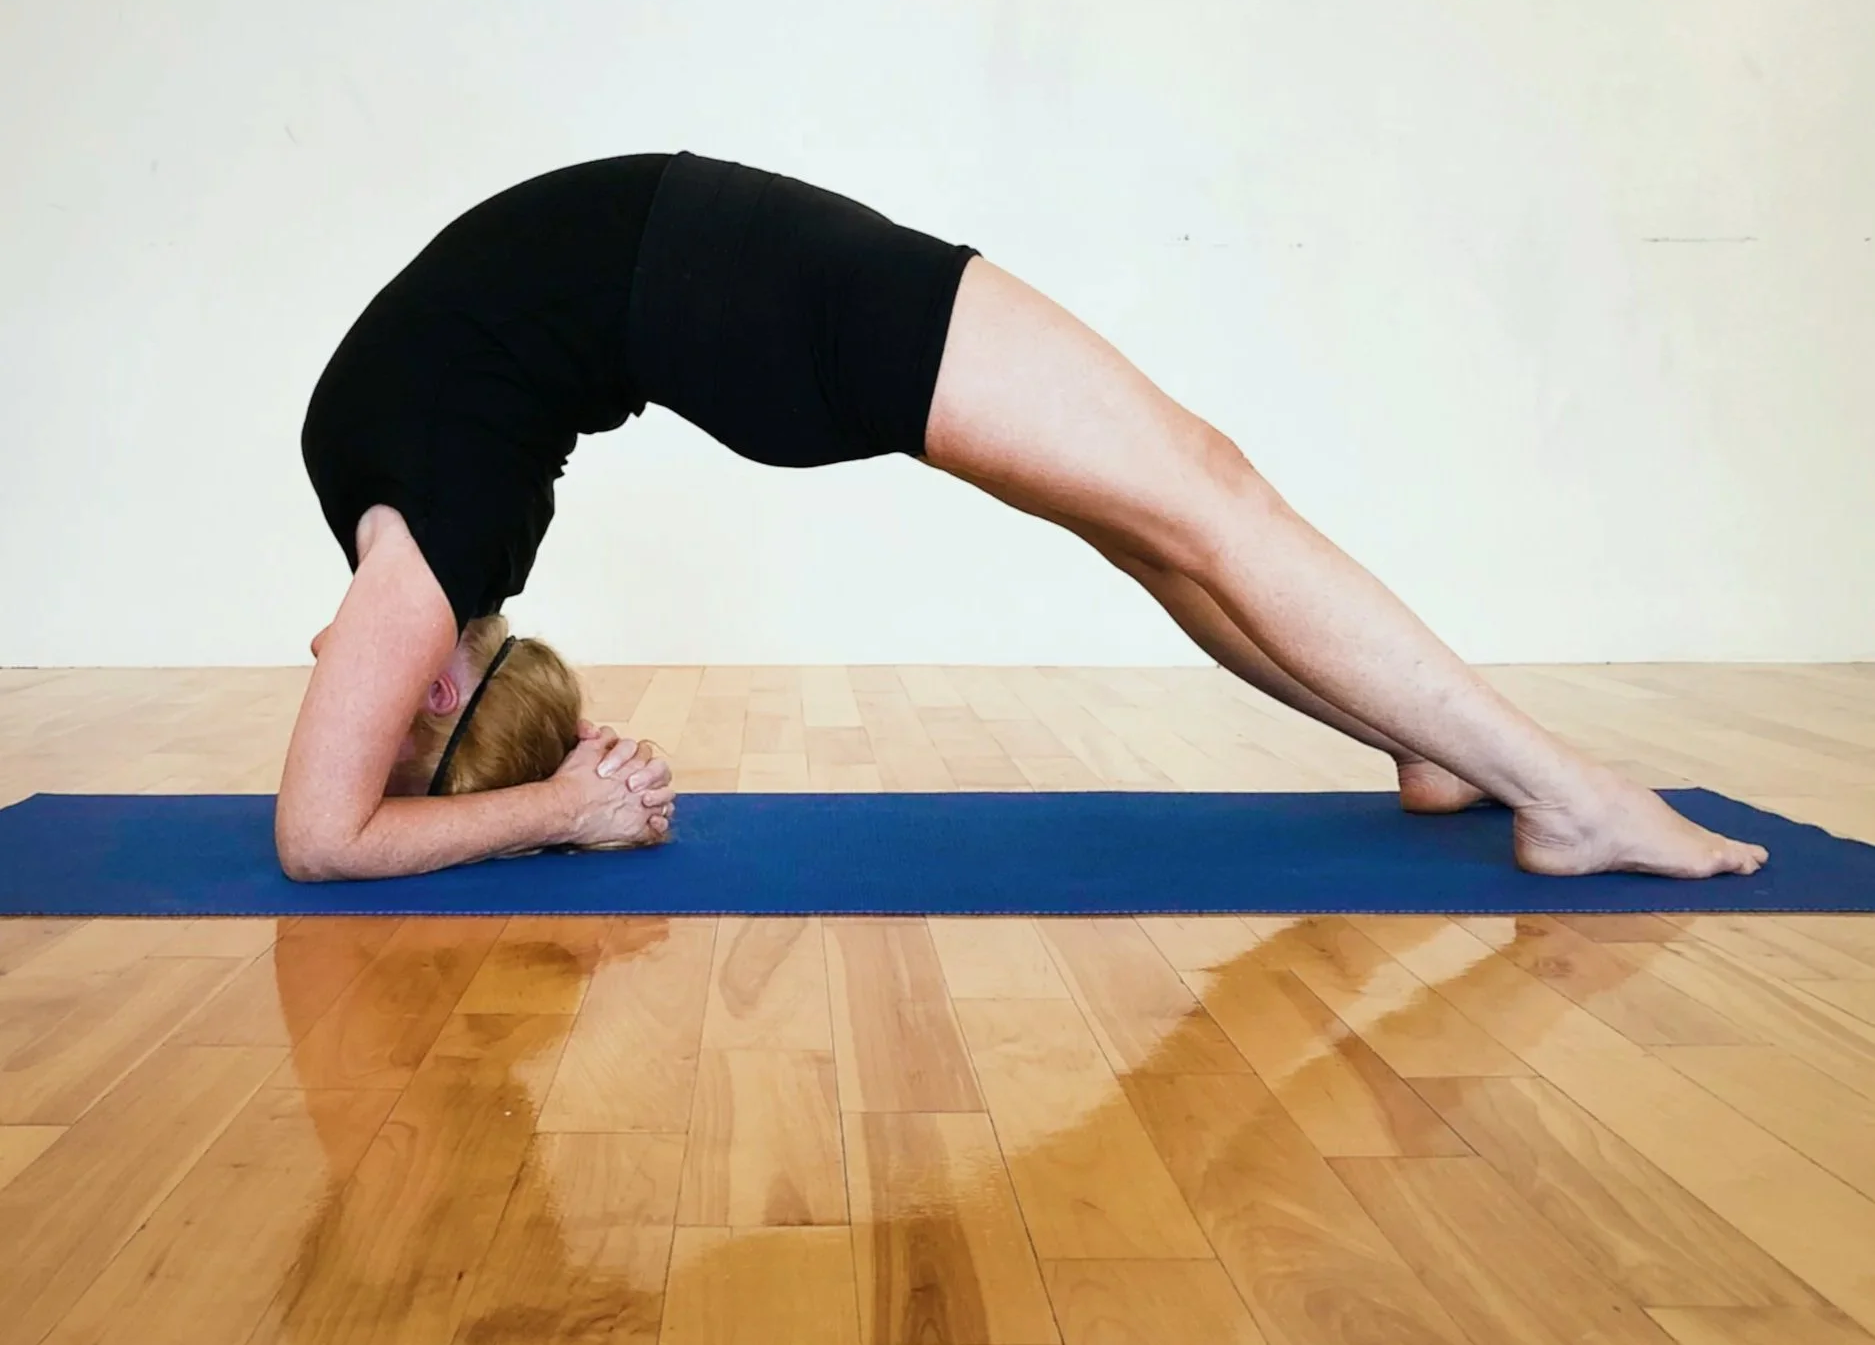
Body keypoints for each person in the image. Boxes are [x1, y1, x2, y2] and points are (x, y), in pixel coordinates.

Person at [281, 149, 1768, 884]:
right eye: (383, 706)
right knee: (1203, 488)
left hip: (739, 299)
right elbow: (315, 835)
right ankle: (1563, 796)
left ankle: (1426, 745)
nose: (327, 670)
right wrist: (552, 810)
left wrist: (502, 788)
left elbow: (350, 775)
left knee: (1158, 519)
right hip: (757, 298)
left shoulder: (406, 539)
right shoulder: (417, 573)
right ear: (433, 689)